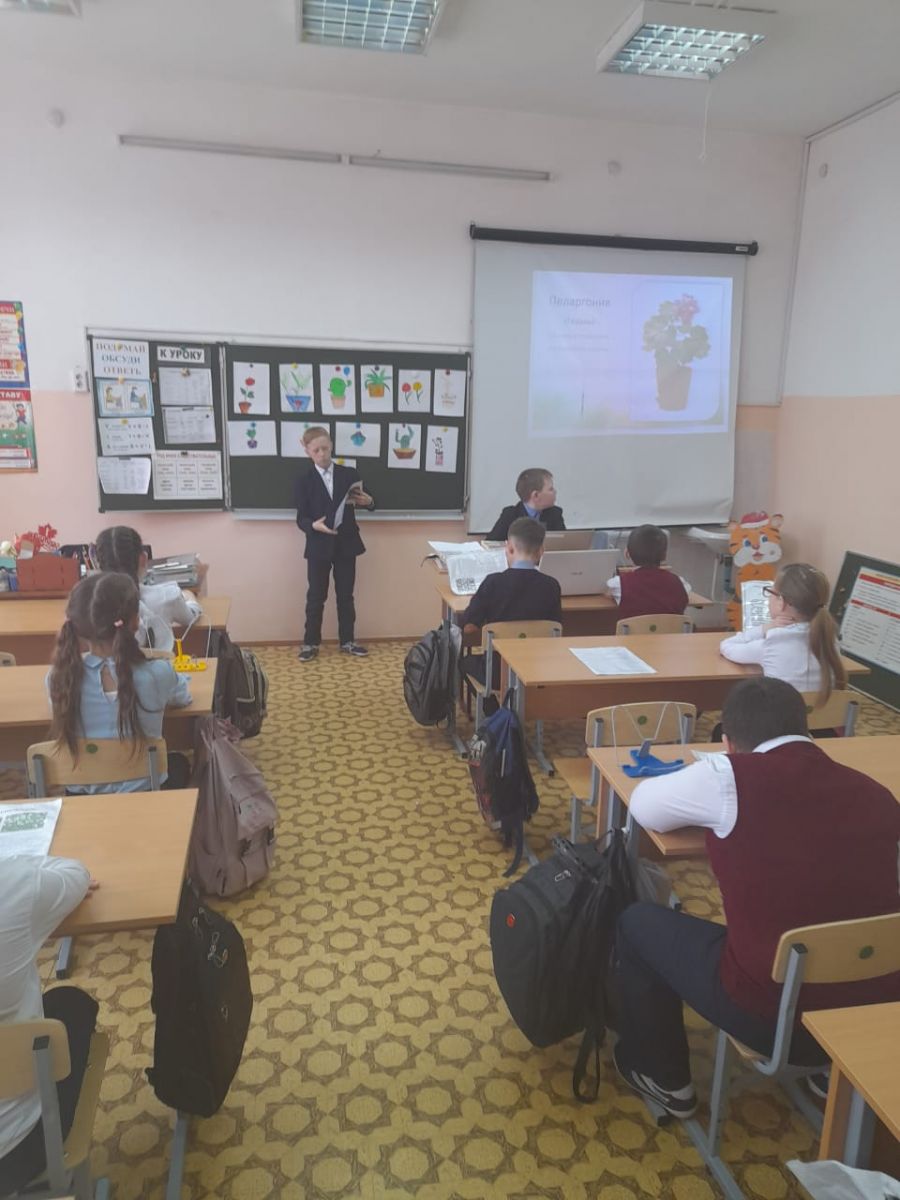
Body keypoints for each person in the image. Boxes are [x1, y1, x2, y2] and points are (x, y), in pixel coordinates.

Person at [612, 677, 900, 1119]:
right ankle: (830, 1072)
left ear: (728, 742)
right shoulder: (877, 794)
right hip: (874, 1009)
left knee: (636, 923)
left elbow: (643, 805)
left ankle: (666, 1080)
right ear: (805, 728)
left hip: (773, 1017)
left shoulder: (726, 775)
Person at [0, 855, 99, 1195]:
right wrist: (18, 860)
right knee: (72, 1006)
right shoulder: (12, 881)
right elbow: (76, 874)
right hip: (17, 1148)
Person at [47, 572, 191, 791]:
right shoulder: (157, 674)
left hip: (83, 794)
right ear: (135, 620)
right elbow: (183, 697)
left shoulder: (58, 679)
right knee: (179, 763)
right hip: (144, 792)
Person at [294, 425, 374, 662]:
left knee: (345, 596)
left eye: (325, 448)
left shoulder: (348, 474)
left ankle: (348, 641)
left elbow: (368, 501)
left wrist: (369, 501)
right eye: (316, 450)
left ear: (331, 446)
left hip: (346, 544)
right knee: (316, 596)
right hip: (318, 545)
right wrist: (313, 526)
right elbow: (301, 518)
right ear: (307, 451)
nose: (322, 454)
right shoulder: (304, 480)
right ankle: (310, 643)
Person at [719, 562, 846, 705]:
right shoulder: (830, 640)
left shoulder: (773, 643)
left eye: (770, 592)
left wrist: (765, 628)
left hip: (781, 718)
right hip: (824, 718)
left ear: (781, 601)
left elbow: (727, 646)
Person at [458, 517, 563, 687]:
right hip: (537, 670)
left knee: (464, 661)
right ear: (541, 551)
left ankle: (490, 701)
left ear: (509, 548)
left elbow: (469, 627)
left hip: (496, 673)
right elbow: (555, 628)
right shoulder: (551, 585)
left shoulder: (493, 583)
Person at [94, 525, 204, 654]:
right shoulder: (168, 596)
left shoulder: (90, 606)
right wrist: (190, 597)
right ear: (143, 558)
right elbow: (190, 618)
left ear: (98, 565)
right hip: (160, 666)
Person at [606, 525, 690, 620]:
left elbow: (608, 591)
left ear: (627, 553)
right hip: (671, 630)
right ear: (664, 555)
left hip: (635, 630)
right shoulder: (680, 583)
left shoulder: (619, 583)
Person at [486, 468, 566, 542]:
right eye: (551, 489)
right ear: (536, 495)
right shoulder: (510, 515)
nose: (555, 492)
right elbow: (490, 544)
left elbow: (564, 543)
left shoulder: (555, 513)